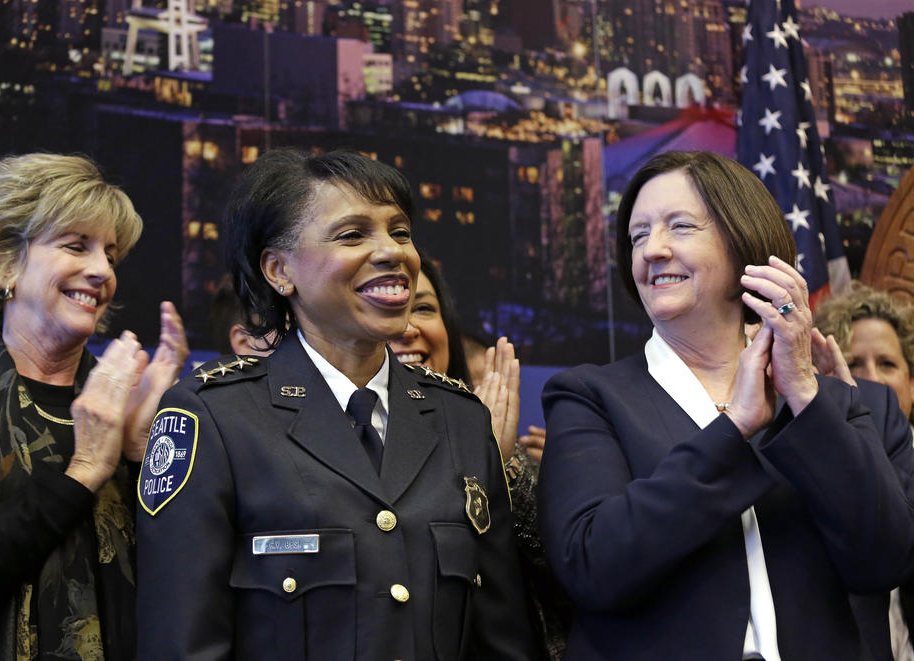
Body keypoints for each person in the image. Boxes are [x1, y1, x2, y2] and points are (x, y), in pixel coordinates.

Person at [135, 149, 537, 660]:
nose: (392, 252)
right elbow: (181, 644)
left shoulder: (460, 418)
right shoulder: (213, 417)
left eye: (400, 231)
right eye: (353, 235)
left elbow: (503, 638)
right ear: (279, 271)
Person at [538, 150, 914, 660]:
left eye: (680, 226)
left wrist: (804, 392)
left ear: (742, 240)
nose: (654, 249)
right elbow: (593, 567)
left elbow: (883, 560)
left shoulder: (852, 405)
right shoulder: (590, 397)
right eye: (638, 236)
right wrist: (732, 429)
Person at [0, 153, 189, 660]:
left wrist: (140, 459)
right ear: (4, 265)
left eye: (110, 254)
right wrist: (84, 471)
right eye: (75, 246)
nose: (101, 271)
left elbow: (185, 589)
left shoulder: (142, 410)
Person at [389, 254, 567, 659]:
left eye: (423, 308)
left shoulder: (502, 446)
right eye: (392, 308)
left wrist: (498, 465)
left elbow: (565, 580)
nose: (408, 327)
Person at [814, 283, 914, 661]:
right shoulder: (810, 467)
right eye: (854, 364)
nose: (870, 378)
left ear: (912, 382)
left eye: (887, 364)